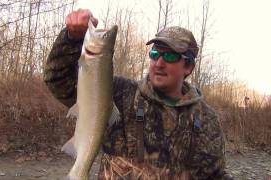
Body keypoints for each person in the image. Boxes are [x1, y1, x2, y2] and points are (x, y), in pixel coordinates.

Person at [44, 9, 233, 180]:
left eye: (170, 56)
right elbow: (58, 79)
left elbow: (215, 174)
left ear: (189, 67)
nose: (159, 62)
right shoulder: (119, 93)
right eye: (155, 53)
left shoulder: (207, 119)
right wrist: (71, 38)